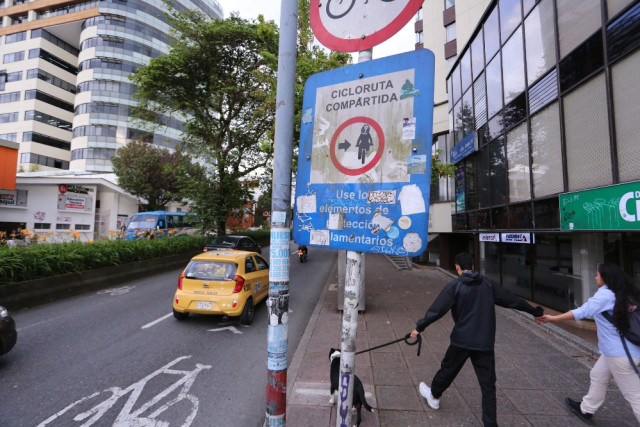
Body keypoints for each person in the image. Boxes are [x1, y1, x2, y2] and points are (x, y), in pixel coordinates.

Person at [410, 252, 543, 427]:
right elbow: (512, 300)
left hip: (461, 341)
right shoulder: (488, 284)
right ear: (473, 266)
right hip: (484, 342)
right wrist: (535, 312)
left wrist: (419, 327)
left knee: (448, 370)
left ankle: (434, 397)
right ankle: (490, 424)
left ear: (458, 267)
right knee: (488, 386)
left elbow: (437, 310)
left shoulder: (455, 286)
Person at [536, 263, 640, 424]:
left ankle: (587, 409)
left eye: (598, 274)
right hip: (624, 350)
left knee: (634, 395)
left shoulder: (605, 295)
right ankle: (587, 409)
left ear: (606, 278)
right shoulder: (625, 292)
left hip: (619, 354)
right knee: (598, 375)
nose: (595, 277)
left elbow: (582, 311)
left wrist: (552, 318)